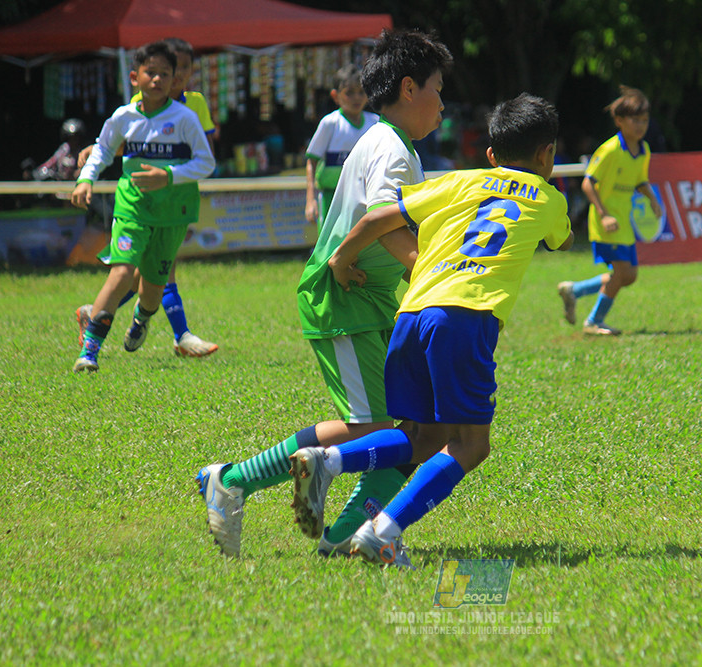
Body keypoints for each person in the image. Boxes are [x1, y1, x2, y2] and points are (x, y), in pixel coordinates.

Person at [195, 29, 453, 559]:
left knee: (410, 426)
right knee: (378, 427)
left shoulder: (393, 143)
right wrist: (429, 272)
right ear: (409, 88)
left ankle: (341, 537)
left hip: (370, 299)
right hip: (344, 299)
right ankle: (236, 478)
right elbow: (383, 220)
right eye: (438, 89)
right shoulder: (391, 150)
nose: (443, 104)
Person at [288, 93, 573, 569]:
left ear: (489, 156)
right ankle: (384, 531)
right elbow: (561, 240)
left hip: (413, 312)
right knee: (471, 445)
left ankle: (329, 461)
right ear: (547, 154)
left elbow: (379, 216)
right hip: (466, 316)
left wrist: (341, 257)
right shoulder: (548, 197)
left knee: (423, 436)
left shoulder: (461, 180)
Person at [70, 40, 215, 373]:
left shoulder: (185, 117)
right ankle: (89, 353)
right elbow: (103, 151)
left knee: (151, 291)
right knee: (121, 273)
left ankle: (142, 318)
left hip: (172, 212)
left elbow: (206, 163)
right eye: (151, 73)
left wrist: (169, 175)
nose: (158, 79)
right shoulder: (124, 116)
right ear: (135, 77)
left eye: (166, 73)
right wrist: (85, 179)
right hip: (133, 208)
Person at [556, 85, 662, 336]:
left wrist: (653, 199)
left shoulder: (643, 150)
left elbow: (640, 181)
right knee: (622, 272)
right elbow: (587, 183)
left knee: (628, 276)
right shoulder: (610, 150)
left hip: (622, 222)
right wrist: (604, 214)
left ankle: (575, 291)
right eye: (635, 120)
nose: (640, 125)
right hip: (606, 222)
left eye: (644, 120)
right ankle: (594, 321)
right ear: (619, 121)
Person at [304, 64, 379, 227]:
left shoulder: (375, 123)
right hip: (333, 197)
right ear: (335, 96)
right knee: (332, 248)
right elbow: (312, 160)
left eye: (361, 92)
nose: (356, 98)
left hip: (365, 197)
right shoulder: (330, 123)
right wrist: (311, 199)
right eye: (349, 93)